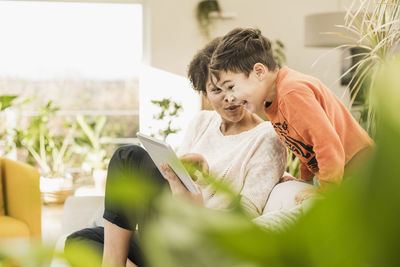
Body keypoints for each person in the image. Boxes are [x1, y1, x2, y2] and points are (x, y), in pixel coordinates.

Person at [64, 37, 287, 267]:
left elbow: (246, 219)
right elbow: (176, 185)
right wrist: (182, 166)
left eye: (231, 87)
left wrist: (197, 211)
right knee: (79, 241)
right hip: (169, 224)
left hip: (199, 239)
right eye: (216, 90)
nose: (228, 97)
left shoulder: (268, 137)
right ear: (205, 95)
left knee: (128, 156)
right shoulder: (202, 122)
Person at [209, 28, 375, 201]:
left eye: (230, 87)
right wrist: (305, 180)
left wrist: (326, 190)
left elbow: (326, 142)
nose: (229, 97)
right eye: (221, 90)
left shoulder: (291, 92)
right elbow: (305, 145)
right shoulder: (272, 101)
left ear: (259, 72)